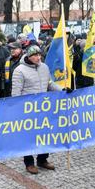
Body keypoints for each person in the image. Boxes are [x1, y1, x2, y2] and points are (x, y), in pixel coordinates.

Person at [11, 45, 62, 174]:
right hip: (28, 110)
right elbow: (16, 93)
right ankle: (29, 162)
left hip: (44, 108)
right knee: (28, 137)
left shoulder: (44, 67)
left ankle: (42, 159)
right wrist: (19, 110)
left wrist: (63, 91)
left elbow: (49, 84)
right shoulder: (19, 70)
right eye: (35, 55)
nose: (38, 57)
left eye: (40, 55)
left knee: (45, 135)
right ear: (28, 56)